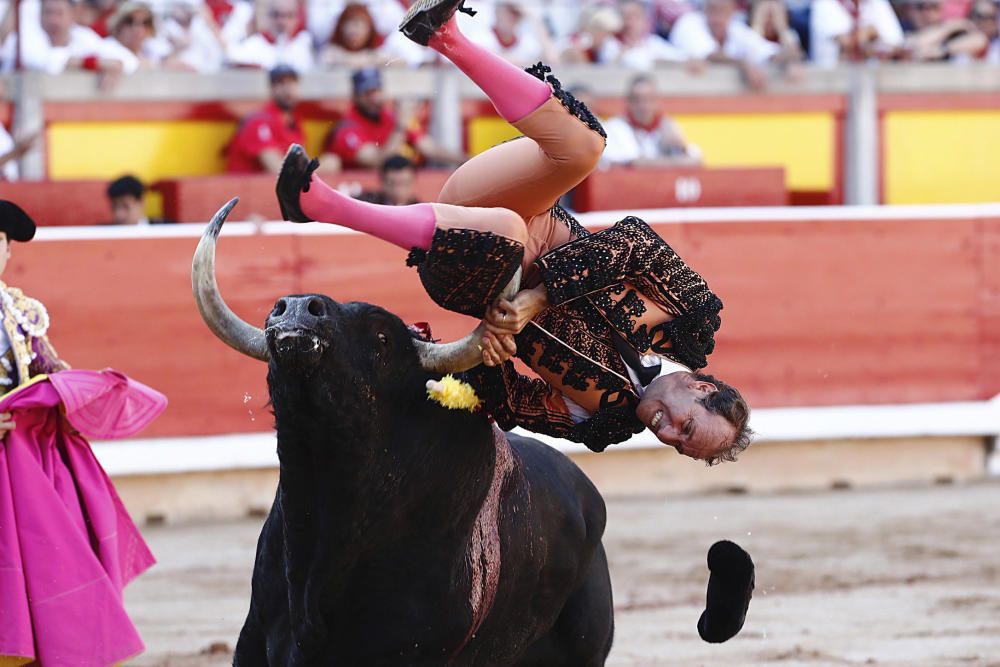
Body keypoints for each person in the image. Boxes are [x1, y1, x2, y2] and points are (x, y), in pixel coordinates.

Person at [275, 0, 752, 464]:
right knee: (584, 146)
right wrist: (539, 299)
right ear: (700, 388)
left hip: (465, 269)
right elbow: (635, 242)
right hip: (517, 208)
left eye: (675, 442)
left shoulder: (603, 421)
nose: (664, 432)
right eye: (684, 426)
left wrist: (493, 352)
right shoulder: (692, 320)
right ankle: (443, 35)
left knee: (507, 231)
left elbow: (507, 405)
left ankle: (322, 204)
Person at [0, 200, 163, 667]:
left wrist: (74, 397)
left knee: (49, 566)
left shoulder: (22, 312)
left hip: (23, 463)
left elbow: (50, 370)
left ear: (8, 252)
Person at [322, 66, 465, 170]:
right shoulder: (347, 128)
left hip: (391, 190)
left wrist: (468, 160)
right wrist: (400, 127)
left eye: (376, 91)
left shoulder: (388, 117)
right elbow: (377, 161)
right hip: (359, 194)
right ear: (355, 97)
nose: (374, 98)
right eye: (366, 93)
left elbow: (429, 148)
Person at [226, 65, 341, 174]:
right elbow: (277, 170)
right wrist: (317, 169)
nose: (287, 89)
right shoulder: (258, 121)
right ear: (271, 88)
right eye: (281, 83)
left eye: (292, 83)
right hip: (245, 190)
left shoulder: (294, 121)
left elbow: (297, 167)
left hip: (272, 191)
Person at [669, 0, 789, 91]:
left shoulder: (736, 28)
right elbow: (709, 55)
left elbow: (769, 52)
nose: (717, 17)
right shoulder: (689, 22)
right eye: (712, 10)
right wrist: (745, 64)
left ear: (732, 12)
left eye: (722, 11)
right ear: (705, 10)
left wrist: (790, 59)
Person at [601, 74, 702, 168]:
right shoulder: (616, 127)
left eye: (650, 100)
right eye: (638, 100)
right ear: (628, 102)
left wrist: (682, 147)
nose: (644, 106)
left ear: (658, 101)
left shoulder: (667, 125)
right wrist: (677, 162)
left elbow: (696, 160)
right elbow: (635, 164)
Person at [809, 0, 904, 67]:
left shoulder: (877, 3)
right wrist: (870, 32)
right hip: (830, 84)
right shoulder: (824, 3)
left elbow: (897, 45)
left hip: (872, 79)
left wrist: (870, 42)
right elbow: (848, 44)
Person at [226, 0, 314, 72]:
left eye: (288, 15)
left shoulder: (304, 43)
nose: (282, 22)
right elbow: (232, 62)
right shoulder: (253, 45)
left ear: (296, 19)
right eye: (276, 15)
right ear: (267, 17)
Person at [898, 0, 988, 61]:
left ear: (942, 10)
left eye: (933, 7)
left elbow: (980, 40)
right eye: (920, 7)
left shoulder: (949, 33)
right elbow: (914, 44)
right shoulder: (900, 29)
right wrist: (947, 27)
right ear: (909, 10)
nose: (927, 13)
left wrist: (942, 50)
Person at [617, 0, 686, 70]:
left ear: (645, 20)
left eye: (636, 16)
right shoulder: (612, 45)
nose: (630, 22)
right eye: (626, 17)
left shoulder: (653, 43)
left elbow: (680, 58)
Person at [106, 174, 172, 225]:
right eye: (114, 207)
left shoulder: (165, 229)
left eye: (125, 206)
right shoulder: (103, 232)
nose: (119, 215)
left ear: (141, 202)